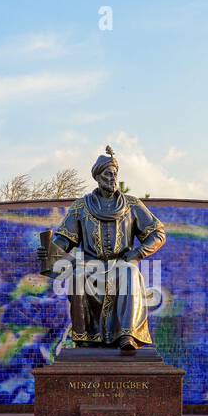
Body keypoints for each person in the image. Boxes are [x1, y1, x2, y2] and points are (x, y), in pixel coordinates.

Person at [38, 146, 166, 352]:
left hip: (121, 264)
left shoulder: (132, 204)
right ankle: (85, 338)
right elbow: (64, 240)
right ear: (98, 177)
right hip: (90, 266)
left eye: (115, 173)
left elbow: (158, 234)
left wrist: (136, 254)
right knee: (78, 274)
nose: (113, 177)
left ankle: (127, 335)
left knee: (130, 272)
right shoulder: (81, 207)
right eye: (108, 173)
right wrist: (50, 252)